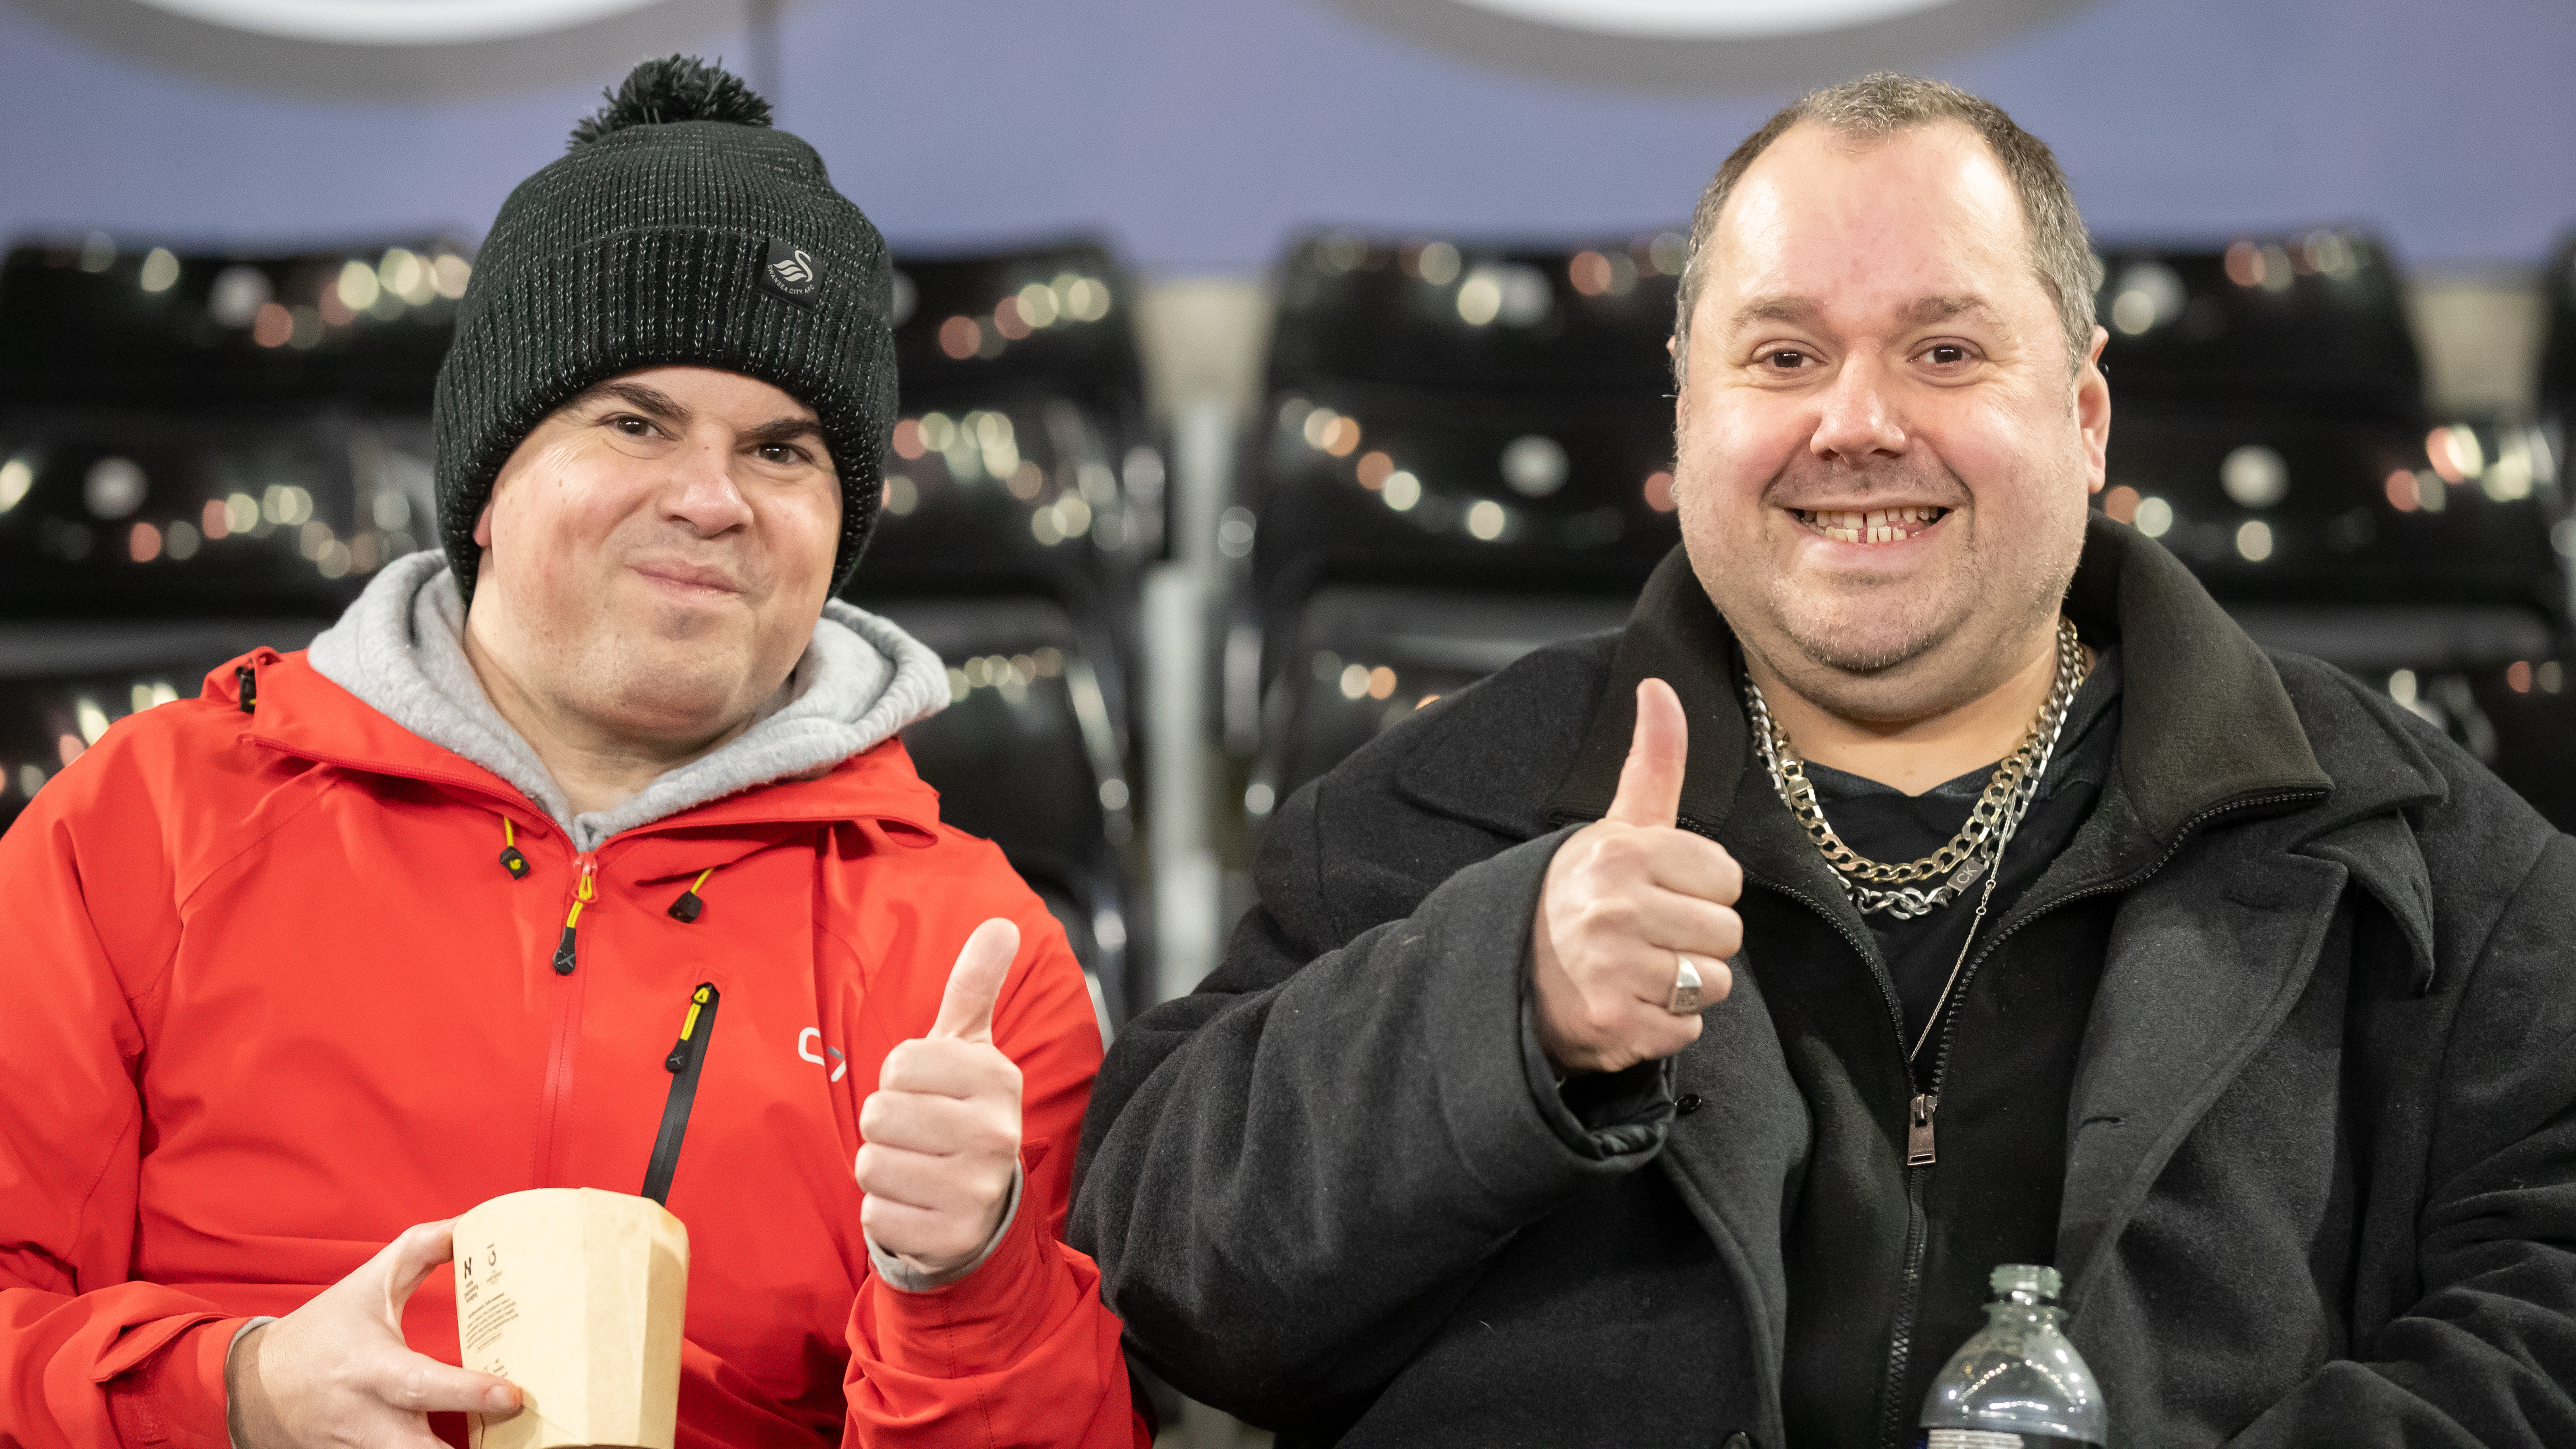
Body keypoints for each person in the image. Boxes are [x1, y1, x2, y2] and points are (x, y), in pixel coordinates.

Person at [1072, 72, 2576, 1448]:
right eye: (1784, 355)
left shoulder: (2418, 844)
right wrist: (1496, 1010)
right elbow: (1173, 1272)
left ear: (2087, 413)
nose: (1857, 425)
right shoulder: (1442, 807)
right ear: (1690, 412)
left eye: (1944, 350)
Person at [0, 58, 1143, 1449]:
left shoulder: (967, 957)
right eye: (634, 422)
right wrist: (237, 1390)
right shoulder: (143, 824)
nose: (711, 500)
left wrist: (966, 1281)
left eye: (784, 450)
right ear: (487, 484)